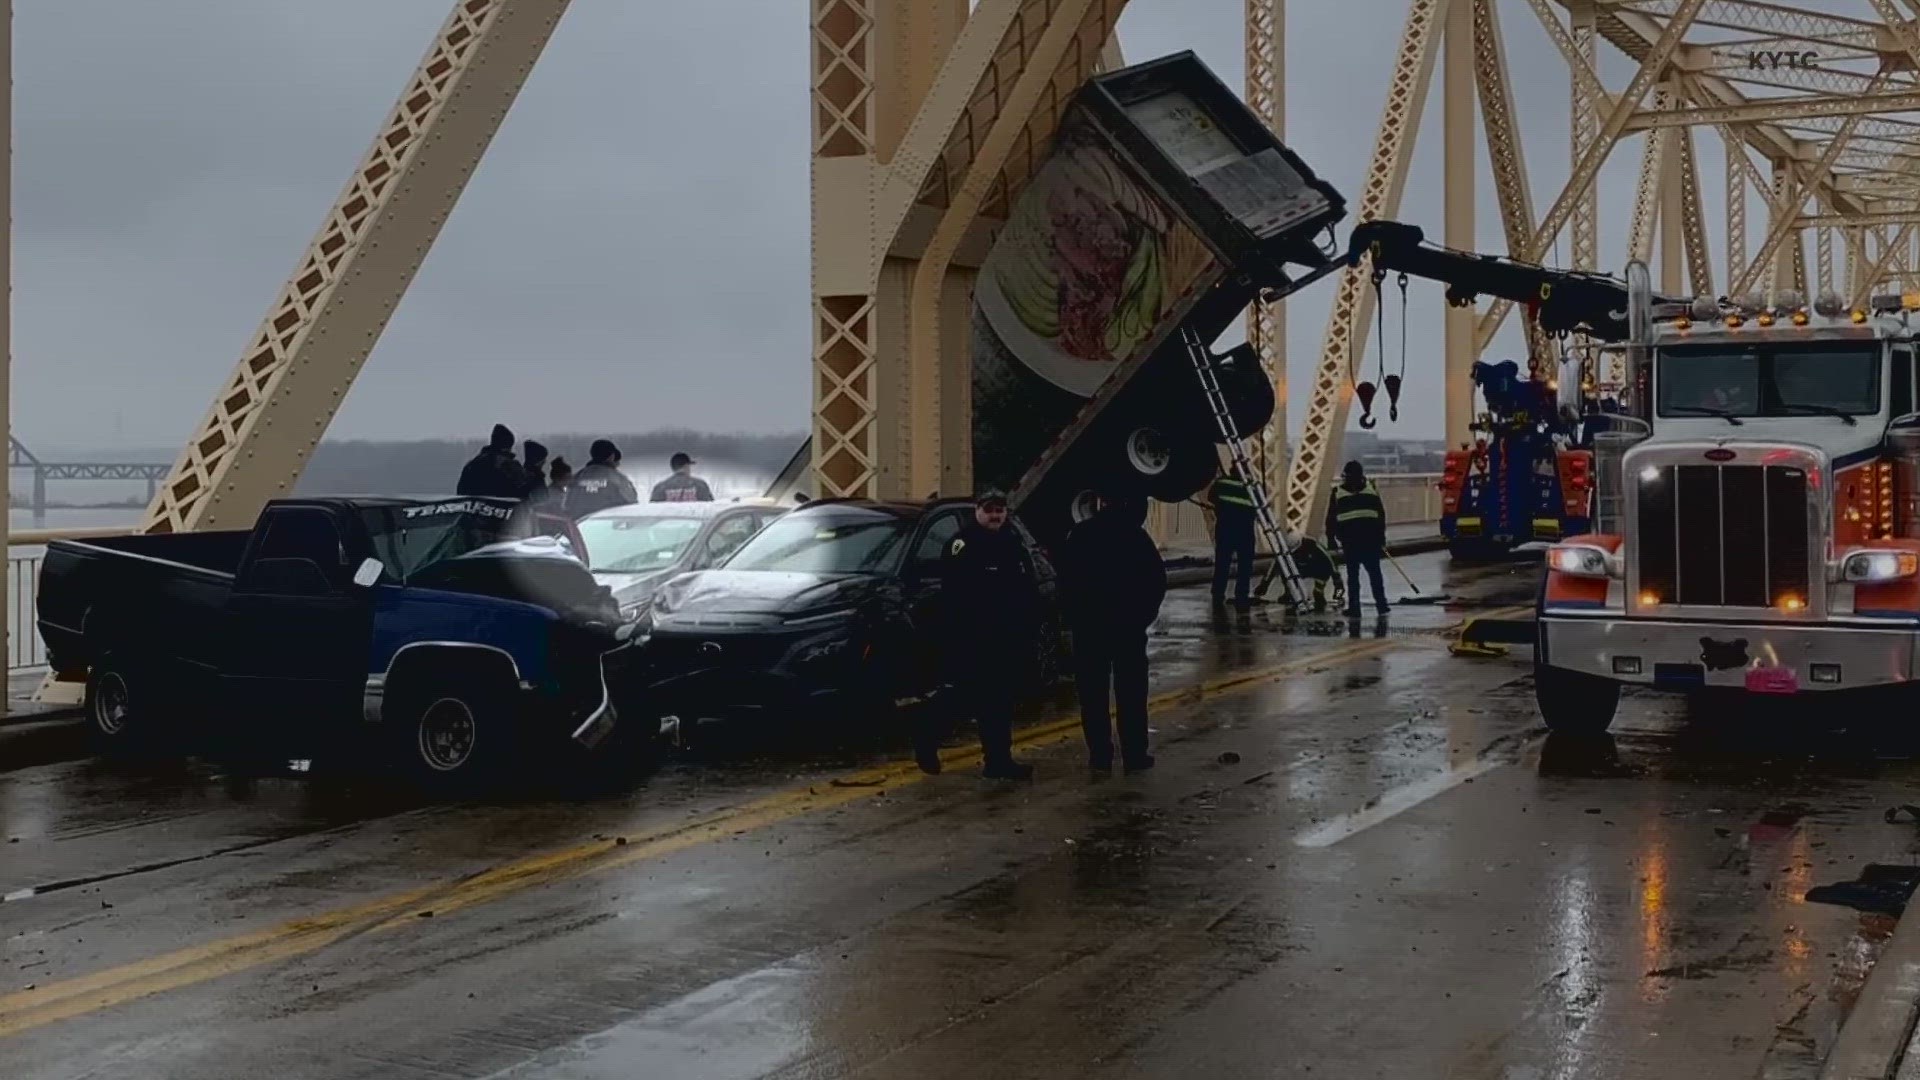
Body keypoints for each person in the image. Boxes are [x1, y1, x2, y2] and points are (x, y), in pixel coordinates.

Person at [926, 490, 1039, 780]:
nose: (995, 515)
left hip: (1003, 638)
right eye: (989, 510)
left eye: (1000, 510)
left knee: (999, 702)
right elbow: (953, 597)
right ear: (978, 510)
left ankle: (998, 760)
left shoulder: (1011, 542)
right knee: (960, 697)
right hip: (971, 638)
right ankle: (926, 740)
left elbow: (1024, 587)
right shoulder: (963, 545)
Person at [1061, 490, 1165, 776]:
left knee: (1093, 696)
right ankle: (1134, 754)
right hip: (1128, 630)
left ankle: (1100, 756)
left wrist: (1075, 618)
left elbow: (1065, 582)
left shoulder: (1080, 535)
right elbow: (1157, 580)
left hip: (1089, 630)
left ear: (1099, 504)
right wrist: (1143, 617)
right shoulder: (1136, 537)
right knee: (1131, 695)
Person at [1325, 460, 1389, 618]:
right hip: (1370, 540)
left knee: (1353, 576)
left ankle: (1355, 608)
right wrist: (1381, 537)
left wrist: (1331, 539)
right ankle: (1381, 605)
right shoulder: (1371, 490)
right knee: (1375, 574)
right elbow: (1380, 515)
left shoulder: (1338, 492)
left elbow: (1331, 518)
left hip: (1350, 541)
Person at [1207, 469, 1259, 607]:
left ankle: (1218, 594)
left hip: (1225, 528)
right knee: (1245, 565)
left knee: (1222, 563)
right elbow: (1260, 506)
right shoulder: (1252, 486)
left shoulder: (1222, 483)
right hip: (1245, 530)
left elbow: (1210, 497)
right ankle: (1241, 595)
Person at [568, 439, 639, 519]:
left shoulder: (577, 477)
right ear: (611, 456)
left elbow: (566, 504)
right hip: (606, 525)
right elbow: (631, 504)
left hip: (580, 526)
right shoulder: (618, 479)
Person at [456, 423, 526, 498]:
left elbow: (461, 491)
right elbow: (522, 490)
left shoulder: (471, 465)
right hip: (501, 506)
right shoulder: (507, 465)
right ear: (508, 446)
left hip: (472, 507)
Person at [1289, 532, 1341, 613]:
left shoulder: (1315, 546)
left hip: (1320, 569)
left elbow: (1329, 561)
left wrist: (1337, 580)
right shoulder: (1290, 550)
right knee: (1290, 583)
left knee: (1318, 593)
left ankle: (1321, 603)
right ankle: (1289, 596)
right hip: (1303, 567)